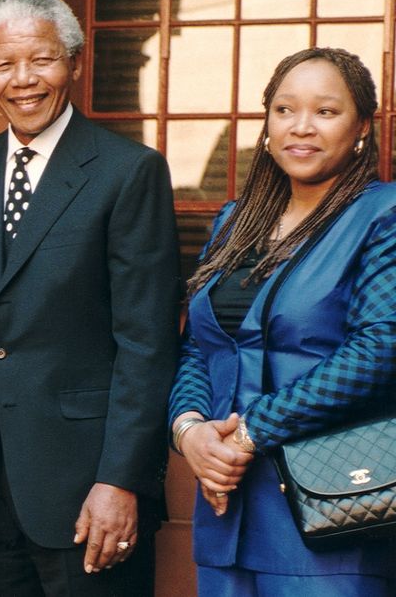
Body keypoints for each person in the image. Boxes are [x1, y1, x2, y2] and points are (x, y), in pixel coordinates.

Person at [0, 0, 180, 596]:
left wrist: (121, 480)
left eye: (41, 60)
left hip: (87, 490)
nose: (23, 80)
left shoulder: (128, 171)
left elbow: (146, 343)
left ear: (76, 62)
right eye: (4, 64)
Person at [168, 47, 396, 596]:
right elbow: (199, 347)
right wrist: (191, 431)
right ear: (267, 123)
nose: (302, 127)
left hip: (333, 506)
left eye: (326, 112)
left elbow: (379, 349)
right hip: (226, 504)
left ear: (362, 126)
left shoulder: (382, 215)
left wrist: (249, 432)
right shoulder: (234, 222)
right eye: (285, 109)